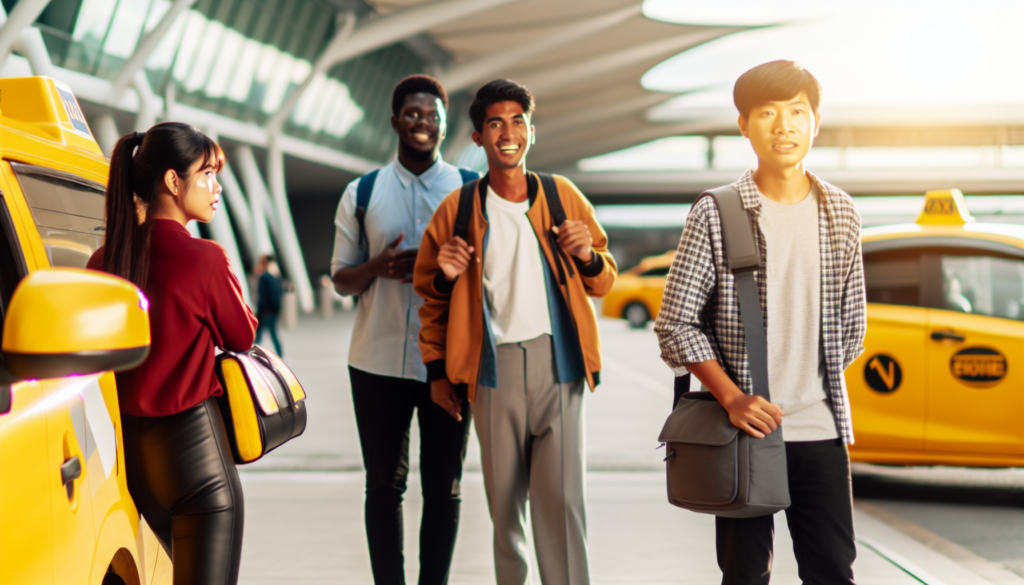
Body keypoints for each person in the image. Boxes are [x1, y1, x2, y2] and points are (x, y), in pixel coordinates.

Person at [654, 60, 867, 585]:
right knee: (746, 576)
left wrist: (807, 383)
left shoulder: (841, 212)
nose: (784, 125)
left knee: (834, 573)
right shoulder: (716, 212)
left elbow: (852, 327)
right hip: (744, 431)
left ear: (816, 121)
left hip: (821, 429)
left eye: (797, 112)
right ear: (744, 125)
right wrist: (734, 397)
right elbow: (675, 324)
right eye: (767, 113)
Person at [414, 79, 617, 585]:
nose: (509, 132)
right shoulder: (458, 209)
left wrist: (587, 255)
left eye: (518, 121)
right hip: (491, 372)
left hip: (559, 367)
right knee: (505, 509)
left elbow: (604, 279)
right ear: (479, 138)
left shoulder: (561, 195)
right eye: (495, 123)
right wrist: (439, 370)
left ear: (531, 130)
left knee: (563, 503)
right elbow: (431, 297)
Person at [88, 122, 257, 584]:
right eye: (206, 173)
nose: (216, 185)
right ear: (172, 181)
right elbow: (241, 336)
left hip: (139, 467)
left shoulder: (103, 262)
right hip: (197, 460)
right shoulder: (205, 258)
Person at [331, 74, 477, 585]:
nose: (424, 122)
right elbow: (340, 279)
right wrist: (378, 266)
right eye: (413, 114)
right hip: (375, 362)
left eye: (433, 115)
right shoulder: (363, 191)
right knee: (384, 488)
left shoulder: (467, 190)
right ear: (395, 121)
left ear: (443, 125)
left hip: (450, 363)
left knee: (444, 487)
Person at [256, 254, 284, 356]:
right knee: (272, 334)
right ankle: (280, 356)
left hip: (265, 311)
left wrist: (260, 309)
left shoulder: (264, 277)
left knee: (259, 335)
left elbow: (262, 295)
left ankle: (252, 356)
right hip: (274, 309)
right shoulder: (276, 276)